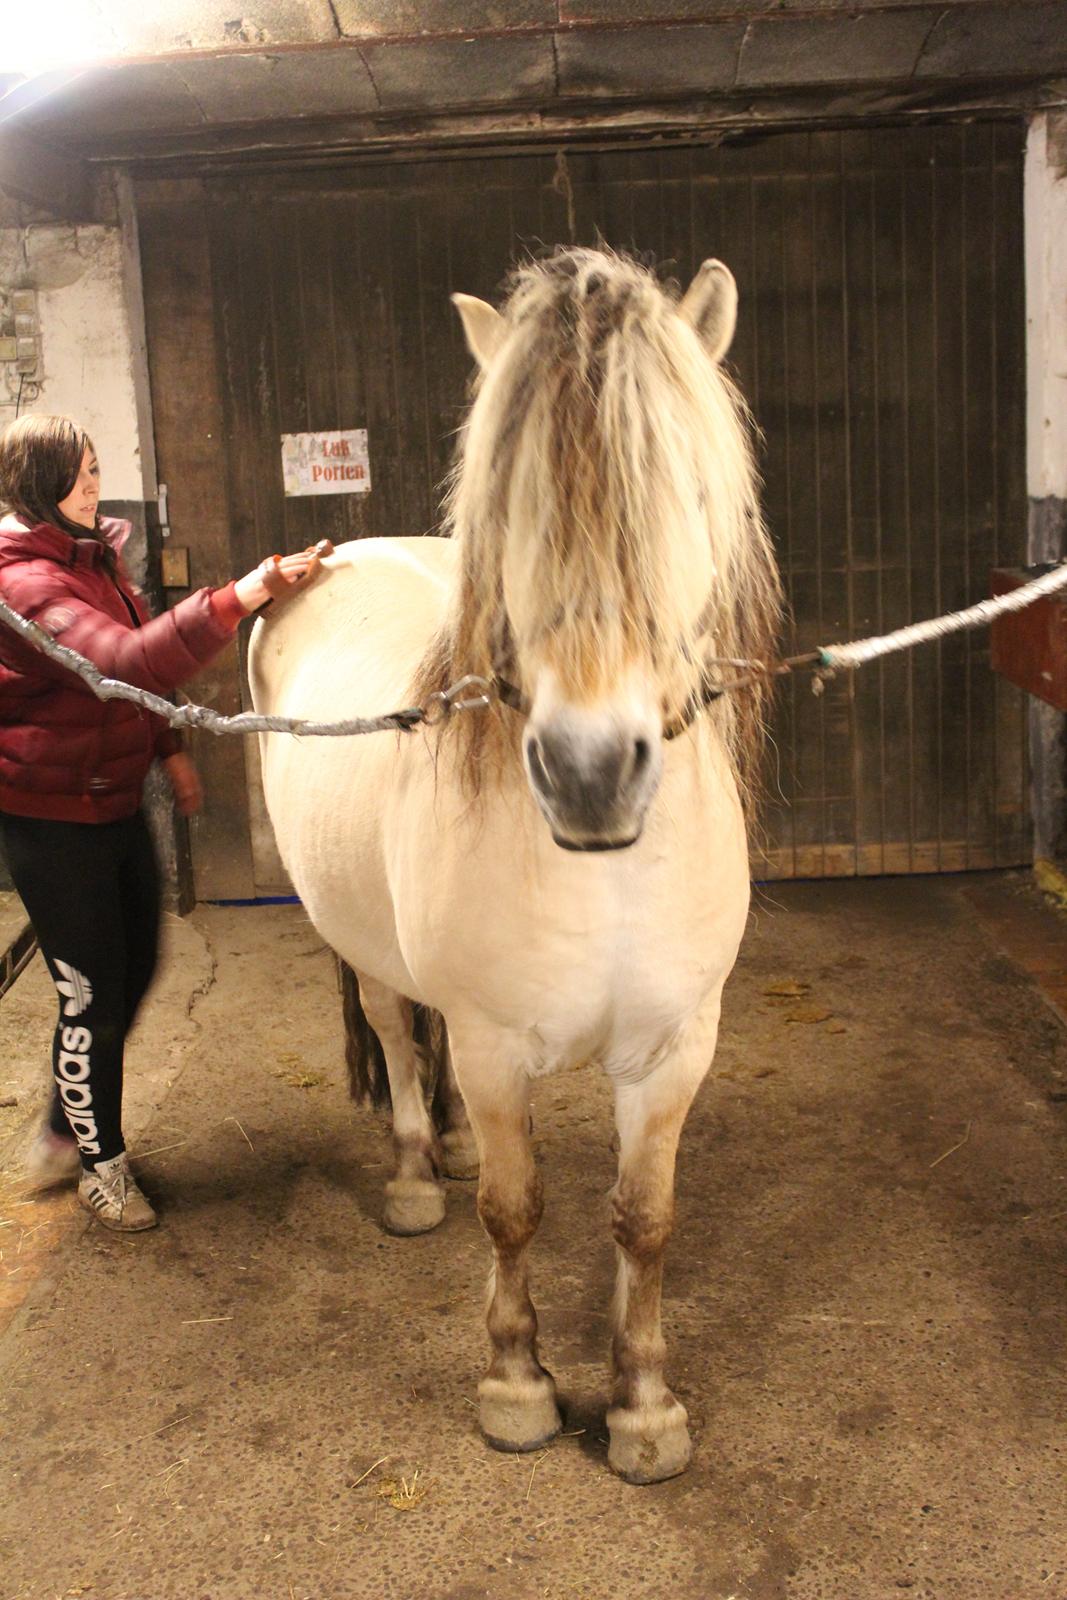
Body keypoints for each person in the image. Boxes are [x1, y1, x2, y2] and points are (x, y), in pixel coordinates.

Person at [0, 413, 314, 1232]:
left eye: (99, 469)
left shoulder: (92, 560)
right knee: (92, 992)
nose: (94, 485)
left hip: (109, 797)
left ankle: (68, 1125)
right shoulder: (24, 585)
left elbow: (137, 668)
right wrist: (245, 595)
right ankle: (97, 1164)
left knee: (134, 971)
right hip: (50, 818)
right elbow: (124, 664)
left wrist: (167, 747)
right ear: (38, 485)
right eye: (79, 473)